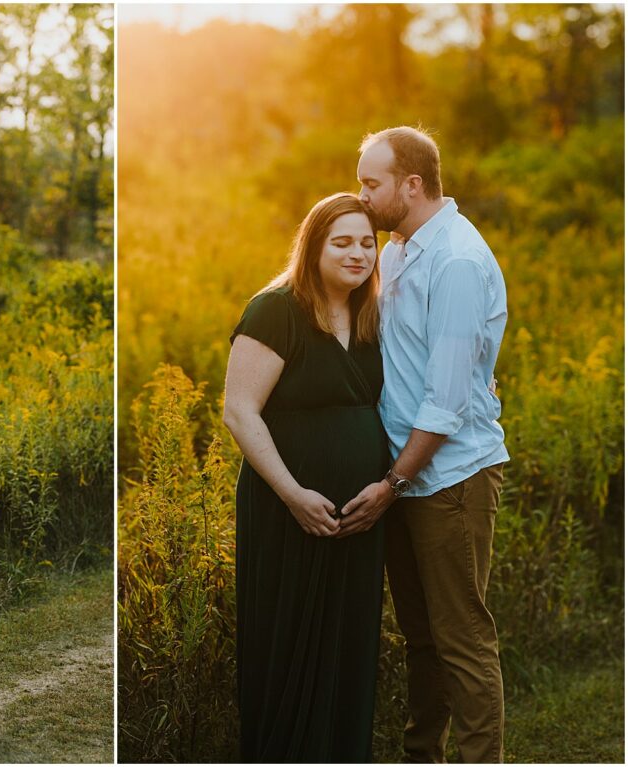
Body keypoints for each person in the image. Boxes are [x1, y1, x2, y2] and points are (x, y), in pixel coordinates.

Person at [344, 125, 509, 763]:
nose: (361, 197)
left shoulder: (459, 261)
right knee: (422, 636)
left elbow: (446, 403)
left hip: (450, 480)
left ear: (411, 185)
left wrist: (391, 485)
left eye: (370, 183)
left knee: (461, 637)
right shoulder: (399, 249)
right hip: (409, 476)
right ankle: (422, 756)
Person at [223, 192, 390, 762]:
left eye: (368, 243)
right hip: (288, 509)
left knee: (347, 644)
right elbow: (239, 411)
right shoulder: (276, 309)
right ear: (313, 245)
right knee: (289, 640)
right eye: (341, 241)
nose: (357, 253)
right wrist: (294, 495)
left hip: (362, 514)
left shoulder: (371, 313)